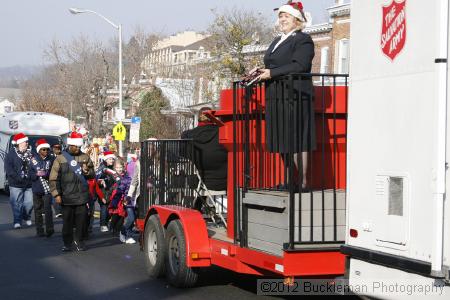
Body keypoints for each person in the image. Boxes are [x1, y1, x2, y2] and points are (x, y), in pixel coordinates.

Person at [256, 1, 315, 189]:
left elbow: (300, 65)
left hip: (295, 96)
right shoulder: (277, 40)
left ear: (297, 20)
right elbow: (274, 64)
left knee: (296, 140)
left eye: (286, 16)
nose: (282, 19)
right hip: (276, 95)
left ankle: (303, 182)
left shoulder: (303, 39)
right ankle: (290, 181)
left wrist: (272, 73)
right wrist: (260, 71)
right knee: (282, 140)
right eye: (280, 16)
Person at [49, 132, 95, 252]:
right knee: (67, 222)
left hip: (81, 196)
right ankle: (67, 243)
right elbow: (54, 178)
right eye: (76, 147)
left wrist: (86, 171)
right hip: (66, 196)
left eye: (79, 147)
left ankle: (79, 241)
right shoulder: (60, 158)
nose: (78, 149)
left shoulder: (85, 157)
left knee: (81, 221)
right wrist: (56, 194)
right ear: (70, 145)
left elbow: (92, 175)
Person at [181, 107, 228, 191]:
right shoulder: (224, 133)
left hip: (199, 183)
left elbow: (181, 155)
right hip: (224, 182)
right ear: (213, 118)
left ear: (198, 119)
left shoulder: (187, 136)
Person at [4, 133, 33, 229]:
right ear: (20, 143)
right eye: (25, 141)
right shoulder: (11, 155)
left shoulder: (31, 153)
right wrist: (17, 178)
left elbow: (34, 166)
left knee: (30, 203)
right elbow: (9, 169)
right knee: (17, 203)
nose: (27, 143)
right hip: (16, 183)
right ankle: (17, 221)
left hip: (29, 183)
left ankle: (26, 215)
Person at [29, 139, 55, 237]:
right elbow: (29, 174)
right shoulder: (33, 160)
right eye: (43, 149)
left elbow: (54, 172)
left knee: (48, 209)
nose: (46, 151)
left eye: (47, 149)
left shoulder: (51, 159)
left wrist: (46, 174)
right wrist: (36, 174)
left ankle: (49, 229)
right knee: (38, 210)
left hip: (47, 189)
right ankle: (39, 230)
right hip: (36, 188)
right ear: (39, 150)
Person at [107, 158, 132, 241]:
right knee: (115, 214)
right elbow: (109, 186)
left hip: (123, 197)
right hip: (115, 197)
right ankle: (113, 226)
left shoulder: (126, 176)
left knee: (121, 215)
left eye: (120, 167)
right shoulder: (113, 175)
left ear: (123, 167)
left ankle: (118, 230)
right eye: (117, 168)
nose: (119, 169)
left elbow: (128, 185)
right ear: (114, 168)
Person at [96, 151, 117, 232]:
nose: (111, 160)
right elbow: (97, 178)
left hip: (111, 190)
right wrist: (101, 181)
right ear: (106, 159)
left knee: (111, 207)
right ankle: (103, 225)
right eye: (110, 159)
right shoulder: (102, 168)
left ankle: (107, 221)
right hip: (103, 191)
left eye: (112, 159)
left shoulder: (113, 167)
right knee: (104, 207)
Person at [123, 154, 140, 244]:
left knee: (135, 218)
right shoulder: (126, 179)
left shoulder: (138, 178)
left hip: (136, 200)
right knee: (131, 218)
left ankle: (127, 232)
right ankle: (126, 233)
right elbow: (120, 191)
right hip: (129, 201)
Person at [50, 143, 63, 218]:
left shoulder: (64, 156)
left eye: (59, 148)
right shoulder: (51, 157)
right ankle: (58, 211)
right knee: (54, 194)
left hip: (62, 177)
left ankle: (61, 209)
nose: (57, 149)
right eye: (56, 148)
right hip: (53, 178)